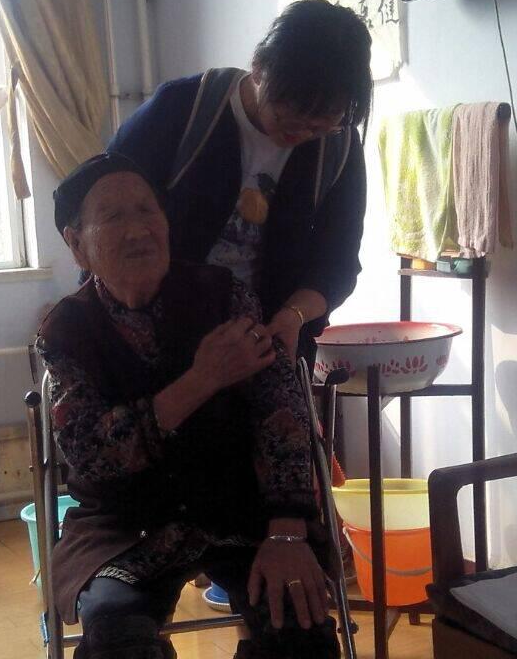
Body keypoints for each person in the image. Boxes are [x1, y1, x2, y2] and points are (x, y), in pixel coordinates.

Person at [37, 153, 340, 659]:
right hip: (123, 527)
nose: (139, 230)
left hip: (237, 511)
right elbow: (93, 457)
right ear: (77, 245)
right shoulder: (65, 332)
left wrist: (287, 531)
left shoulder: (224, 298)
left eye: (147, 210)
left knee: (300, 625)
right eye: (113, 216)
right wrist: (202, 379)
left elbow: (281, 413)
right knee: (117, 639)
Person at [108, 0, 372, 368]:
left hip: (265, 342)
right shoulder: (183, 108)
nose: (301, 134)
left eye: (319, 126)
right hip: (156, 335)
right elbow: (99, 204)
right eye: (288, 117)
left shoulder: (338, 147)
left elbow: (338, 263)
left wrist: (294, 315)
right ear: (259, 68)